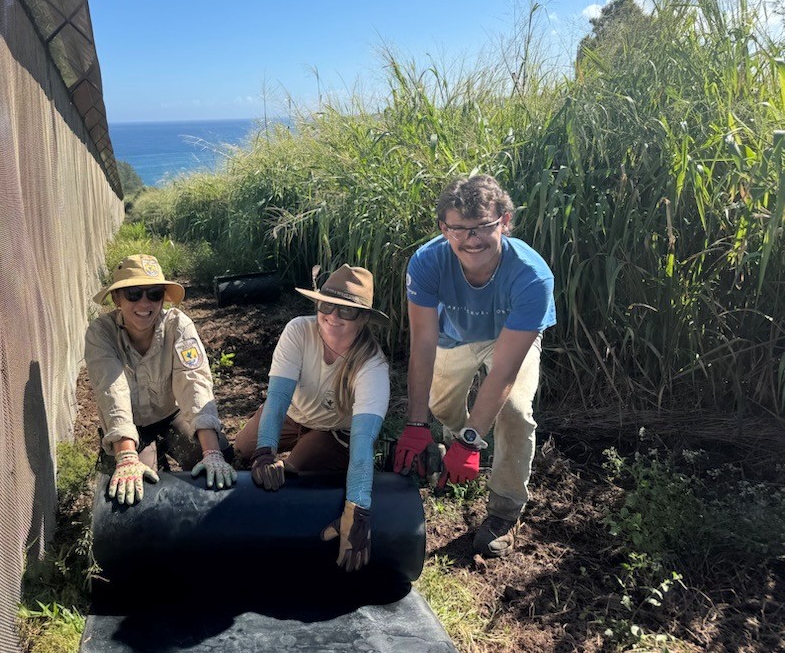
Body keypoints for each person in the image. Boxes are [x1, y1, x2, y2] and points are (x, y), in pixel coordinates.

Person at [393, 174, 556, 558]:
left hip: (510, 340)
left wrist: (471, 440)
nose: (472, 239)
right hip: (454, 338)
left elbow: (503, 371)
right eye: (459, 229)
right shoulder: (427, 262)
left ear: (505, 221)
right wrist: (417, 425)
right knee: (442, 408)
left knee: (515, 412)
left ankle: (504, 510)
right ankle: (456, 439)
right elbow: (423, 345)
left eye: (483, 226)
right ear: (443, 229)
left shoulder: (532, 276)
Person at [234, 265, 390, 572]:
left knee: (293, 476)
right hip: (292, 414)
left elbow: (362, 441)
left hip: (332, 432)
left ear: (363, 319)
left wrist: (358, 508)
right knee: (242, 450)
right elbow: (277, 398)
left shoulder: (372, 367)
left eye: (346, 311)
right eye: (326, 305)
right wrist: (266, 451)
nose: (332, 316)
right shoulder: (298, 331)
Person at [85, 254, 235, 505]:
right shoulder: (101, 333)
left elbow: (194, 381)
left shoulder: (178, 325)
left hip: (170, 415)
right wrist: (126, 457)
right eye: (133, 293)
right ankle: (140, 458)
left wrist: (211, 454)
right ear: (116, 298)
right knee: (133, 491)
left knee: (218, 458)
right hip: (129, 425)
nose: (145, 303)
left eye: (154, 293)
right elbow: (112, 390)